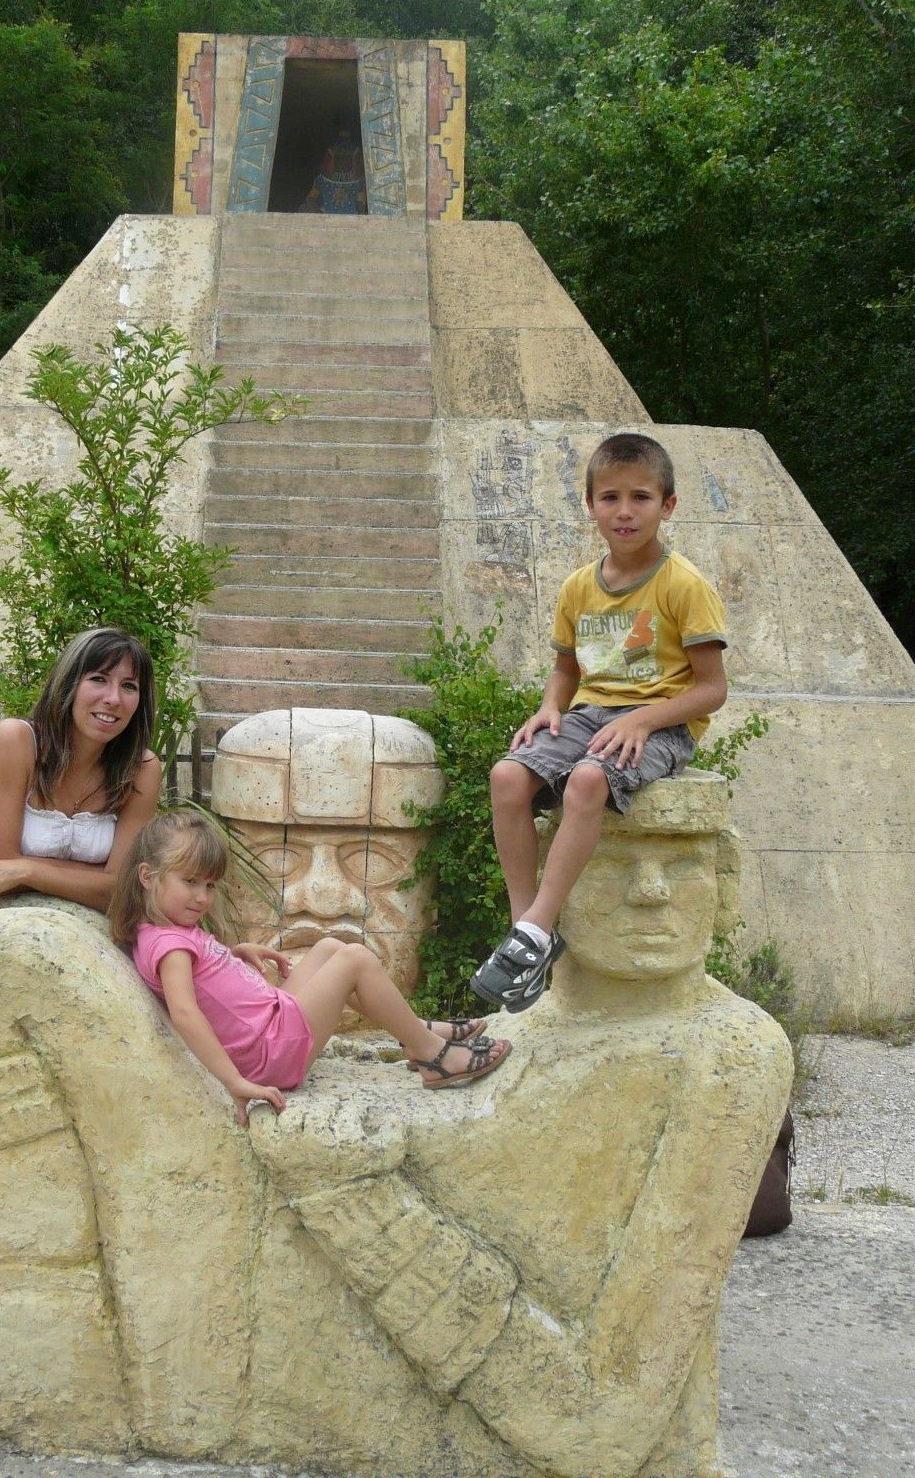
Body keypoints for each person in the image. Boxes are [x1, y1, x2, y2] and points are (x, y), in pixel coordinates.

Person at [476, 432, 728, 1014]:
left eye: (640, 497)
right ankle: (525, 926)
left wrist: (644, 719)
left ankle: (539, 927)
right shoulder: (578, 587)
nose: (624, 510)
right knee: (507, 778)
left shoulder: (683, 585)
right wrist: (548, 708)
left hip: (664, 722)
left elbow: (712, 689)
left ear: (668, 505)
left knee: (589, 781)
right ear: (589, 504)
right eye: (609, 497)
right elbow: (565, 671)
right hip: (592, 714)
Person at [110, 809, 511, 1124]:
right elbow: (184, 1011)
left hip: (273, 1023)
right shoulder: (170, 945)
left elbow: (199, 975)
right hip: (272, 1053)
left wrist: (234, 952)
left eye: (210, 885)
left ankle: (413, 1028)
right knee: (355, 959)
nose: (202, 897)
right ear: (148, 876)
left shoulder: (165, 930)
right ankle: (433, 1056)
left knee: (329, 946)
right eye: (191, 881)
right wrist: (234, 1082)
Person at [0, 627, 162, 914]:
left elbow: (121, 890)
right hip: (6, 921)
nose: (113, 698)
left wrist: (25, 869)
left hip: (98, 931)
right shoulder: (14, 742)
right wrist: (94, 878)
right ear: (68, 684)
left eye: (129, 686)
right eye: (98, 679)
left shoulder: (141, 769)